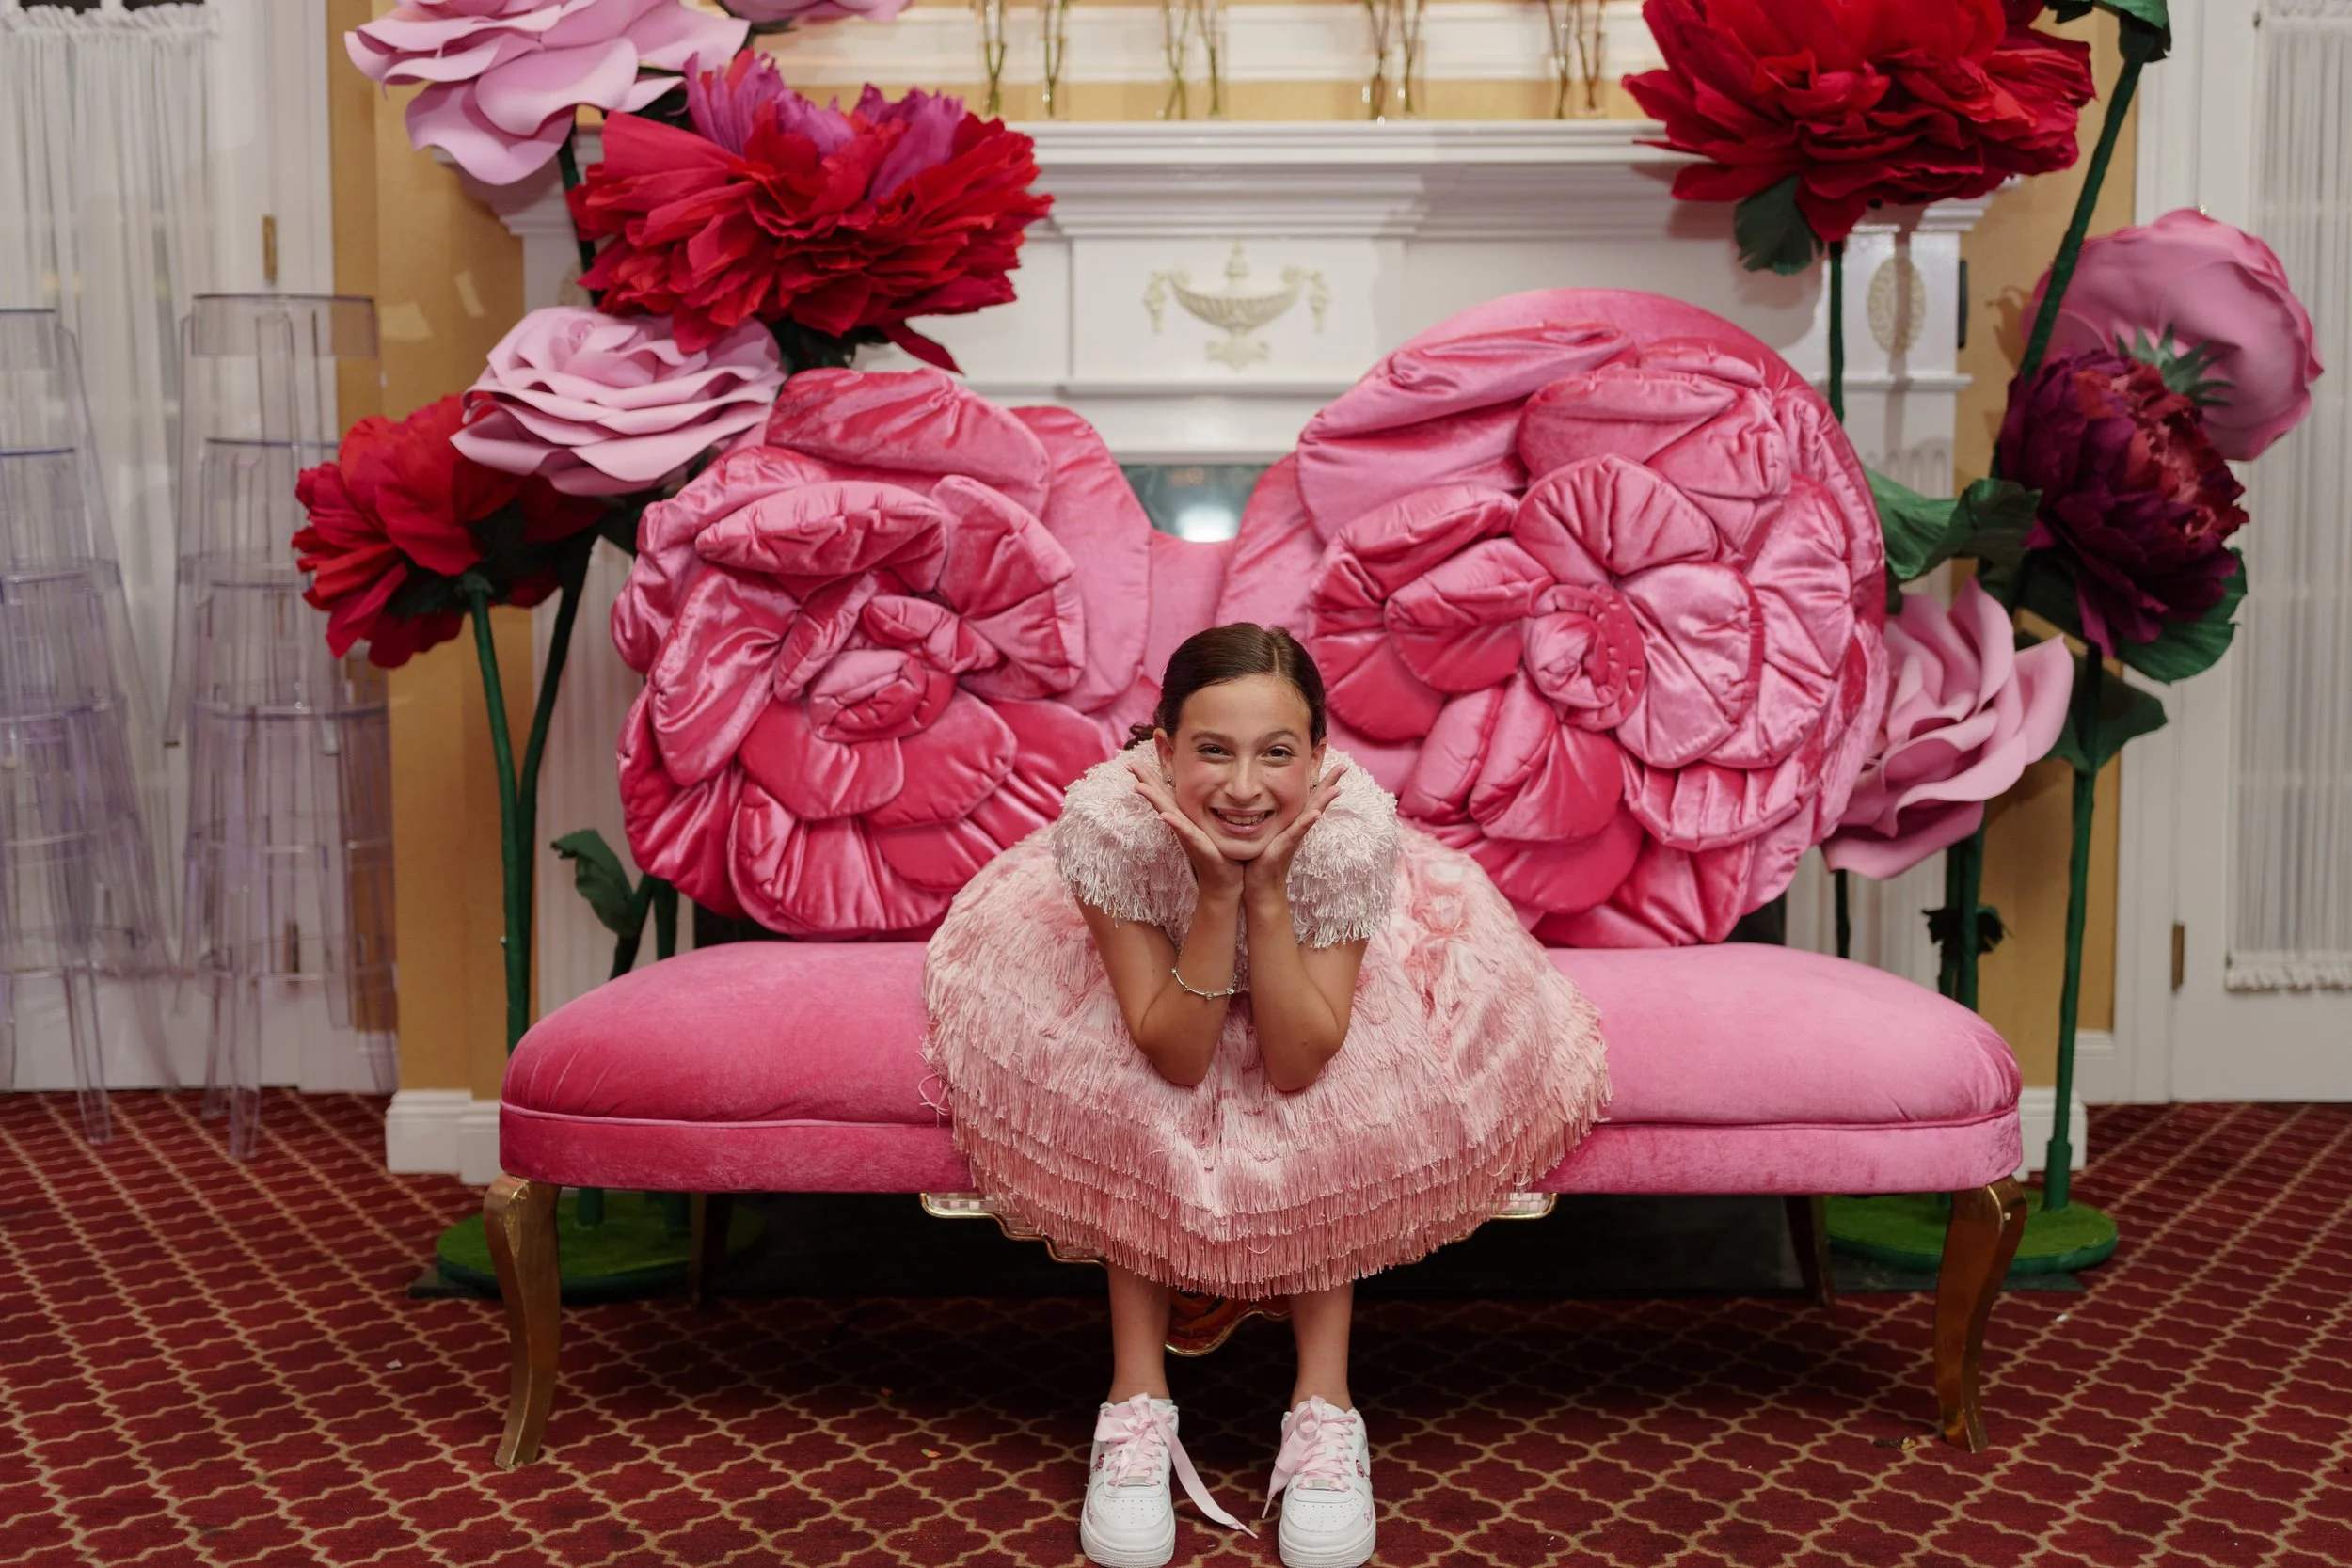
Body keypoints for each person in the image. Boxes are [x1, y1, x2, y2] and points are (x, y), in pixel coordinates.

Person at [925, 623, 1608, 1568]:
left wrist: (1268, 891)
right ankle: (1135, 1402)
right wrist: (1214, 897)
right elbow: (1169, 1047)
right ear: (1161, 752)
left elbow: (1297, 1059)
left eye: (1276, 752)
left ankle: (1324, 1406)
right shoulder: (1113, 824)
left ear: (1318, 756)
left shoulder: (1347, 832)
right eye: (1211, 749)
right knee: (1123, 1086)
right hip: (1161, 975)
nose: (1243, 786)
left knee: (1331, 1100)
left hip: (1311, 960)